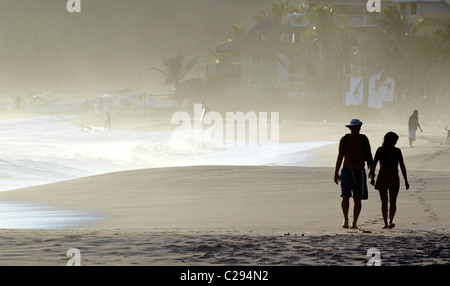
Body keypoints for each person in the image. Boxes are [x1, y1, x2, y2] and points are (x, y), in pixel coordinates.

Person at [334, 119, 374, 229]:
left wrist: (372, 170)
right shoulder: (345, 139)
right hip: (346, 171)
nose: (356, 129)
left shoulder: (363, 139)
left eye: (358, 127)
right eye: (354, 128)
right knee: (345, 196)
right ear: (350, 128)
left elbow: (369, 154)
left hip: (359, 172)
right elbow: (340, 156)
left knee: (357, 198)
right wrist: (336, 172)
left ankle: (355, 222)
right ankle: (346, 219)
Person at [373, 132, 409, 229]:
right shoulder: (382, 150)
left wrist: (406, 180)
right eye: (394, 141)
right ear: (388, 140)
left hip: (391, 177)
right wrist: (372, 175)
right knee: (385, 201)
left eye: (396, 141)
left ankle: (390, 221)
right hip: (385, 177)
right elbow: (374, 162)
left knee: (391, 201)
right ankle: (386, 222)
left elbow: (402, 165)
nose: (395, 143)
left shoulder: (396, 151)